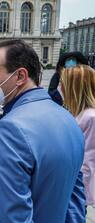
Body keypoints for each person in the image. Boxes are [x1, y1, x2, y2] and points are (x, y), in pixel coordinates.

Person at [0, 40, 86, 222]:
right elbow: (75, 199)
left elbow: (10, 216)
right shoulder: (68, 117)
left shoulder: (10, 128)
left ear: (20, 76)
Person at [61, 65, 95, 209]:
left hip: (78, 191)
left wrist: (78, 195)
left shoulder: (90, 117)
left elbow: (88, 161)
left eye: (62, 84)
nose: (60, 88)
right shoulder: (78, 114)